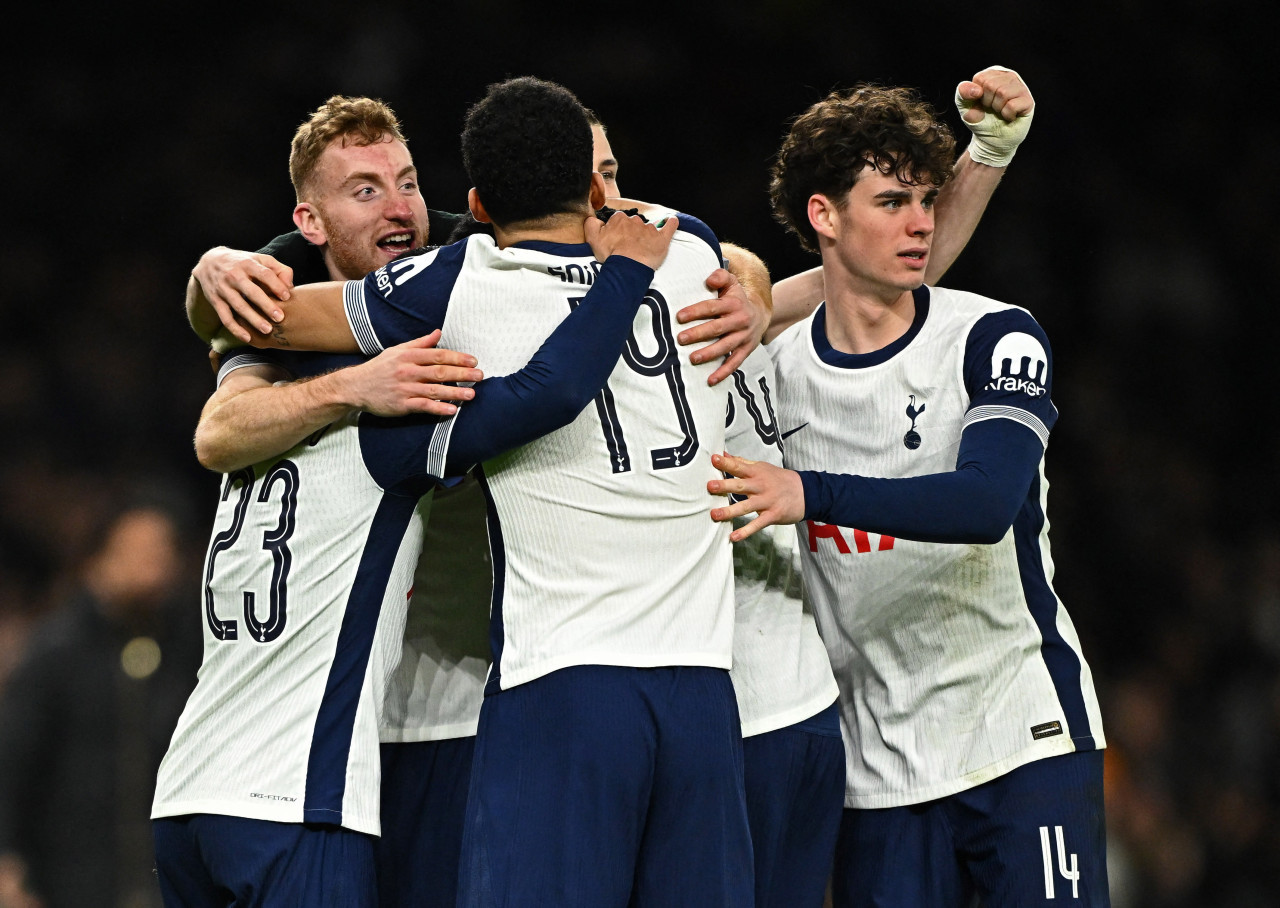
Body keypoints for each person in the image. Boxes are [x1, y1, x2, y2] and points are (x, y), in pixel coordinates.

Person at [184, 93, 768, 907]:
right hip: (700, 681)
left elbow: (253, 329)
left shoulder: (455, 282)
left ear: (478, 207)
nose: (400, 207)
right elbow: (731, 256)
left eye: (410, 183)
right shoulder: (683, 249)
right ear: (596, 192)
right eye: (367, 190)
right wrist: (754, 287)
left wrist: (210, 274)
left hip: (535, 688)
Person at [708, 77, 1109, 907]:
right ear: (824, 215)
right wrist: (753, 293)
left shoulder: (992, 336)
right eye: (891, 201)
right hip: (877, 772)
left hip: (1021, 739)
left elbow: (983, 504)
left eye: (928, 199)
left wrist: (806, 492)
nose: (921, 222)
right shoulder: (774, 376)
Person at [0, 495, 202, 908]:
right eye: (138, 552)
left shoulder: (191, 648)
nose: (153, 568)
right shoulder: (55, 651)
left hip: (165, 882)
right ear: (98, 560)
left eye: (162, 552)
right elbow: (11, 763)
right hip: (70, 881)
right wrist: (7, 863)